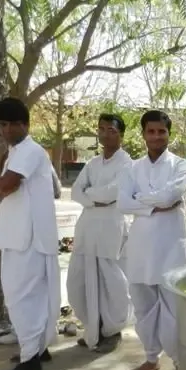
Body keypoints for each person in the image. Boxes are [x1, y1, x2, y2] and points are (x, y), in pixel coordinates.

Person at [118, 110, 186, 370]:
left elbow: (171, 195)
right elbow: (123, 203)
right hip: (140, 247)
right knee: (143, 307)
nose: (156, 136)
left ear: (168, 134)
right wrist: (154, 205)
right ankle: (151, 358)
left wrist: (141, 199)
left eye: (161, 131)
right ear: (143, 134)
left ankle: (181, 363)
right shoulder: (131, 168)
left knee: (174, 309)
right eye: (151, 131)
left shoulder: (182, 165)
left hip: (171, 244)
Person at [0, 97, 61, 370]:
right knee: (31, 296)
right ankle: (36, 349)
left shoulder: (27, 151)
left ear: (26, 124)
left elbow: (5, 186)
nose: (7, 130)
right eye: (3, 124)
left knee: (21, 297)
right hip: (25, 236)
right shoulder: (26, 152)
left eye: (13, 124)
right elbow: (56, 189)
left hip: (27, 239)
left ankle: (30, 360)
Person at [67, 113, 133, 352]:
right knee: (79, 280)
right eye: (102, 129)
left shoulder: (127, 164)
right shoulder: (93, 163)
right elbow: (75, 191)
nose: (105, 134)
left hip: (111, 227)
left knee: (111, 282)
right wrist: (96, 198)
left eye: (111, 130)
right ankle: (93, 328)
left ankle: (111, 331)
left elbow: (113, 193)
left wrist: (90, 195)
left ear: (121, 135)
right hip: (87, 227)